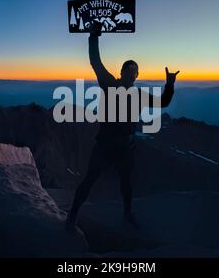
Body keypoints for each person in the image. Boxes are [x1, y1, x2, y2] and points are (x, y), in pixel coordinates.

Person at [66, 21, 180, 230]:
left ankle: (127, 214)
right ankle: (72, 215)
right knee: (89, 180)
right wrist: (94, 36)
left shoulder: (138, 94)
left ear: (137, 76)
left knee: (126, 183)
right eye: (128, 70)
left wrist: (170, 85)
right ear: (121, 72)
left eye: (134, 71)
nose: (131, 74)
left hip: (125, 147)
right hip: (105, 145)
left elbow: (163, 102)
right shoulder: (110, 84)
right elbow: (96, 62)